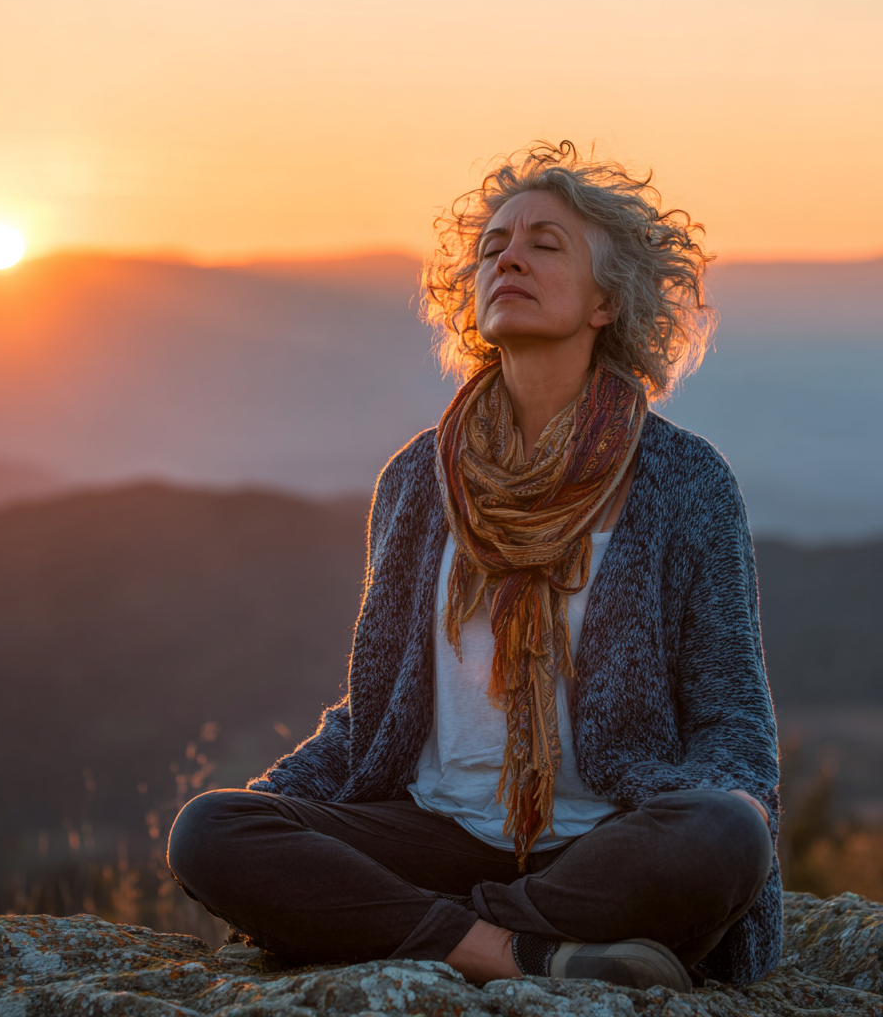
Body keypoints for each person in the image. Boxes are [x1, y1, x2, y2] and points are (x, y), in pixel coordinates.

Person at [167, 141, 780, 991]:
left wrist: (732, 809)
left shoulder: (684, 481)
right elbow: (374, 707)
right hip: (434, 834)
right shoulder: (420, 479)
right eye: (492, 246)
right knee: (211, 831)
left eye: (544, 244)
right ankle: (521, 952)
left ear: (607, 300)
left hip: (605, 838)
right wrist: (278, 809)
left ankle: (432, 934)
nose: (508, 258)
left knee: (724, 833)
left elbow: (732, 718)